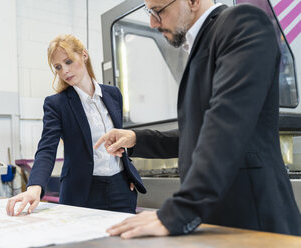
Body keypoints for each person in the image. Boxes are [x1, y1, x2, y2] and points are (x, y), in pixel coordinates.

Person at [94, 0, 301, 238]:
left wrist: (178, 212)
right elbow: (199, 131)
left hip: (254, 221)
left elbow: (226, 126)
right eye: (149, 12)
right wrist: (136, 139)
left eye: (158, 11)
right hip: (217, 223)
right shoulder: (200, 45)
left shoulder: (242, 24)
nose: (152, 23)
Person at [6, 34, 146, 216]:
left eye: (68, 61)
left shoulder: (113, 94)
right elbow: (47, 149)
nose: (64, 71)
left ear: (84, 55)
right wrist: (34, 187)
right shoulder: (57, 104)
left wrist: (127, 172)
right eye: (58, 67)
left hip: (121, 189)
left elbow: (121, 140)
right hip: (82, 193)